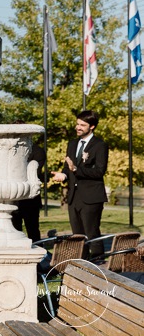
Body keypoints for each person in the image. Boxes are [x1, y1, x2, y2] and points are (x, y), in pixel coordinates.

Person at [51, 110, 109, 258]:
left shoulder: (100, 145)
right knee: (77, 235)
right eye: (77, 124)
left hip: (91, 197)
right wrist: (63, 175)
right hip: (73, 197)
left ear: (92, 126)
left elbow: (99, 172)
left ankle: (98, 263)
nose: (78, 127)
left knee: (92, 233)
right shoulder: (72, 144)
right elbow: (67, 168)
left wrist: (77, 169)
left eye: (82, 125)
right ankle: (82, 263)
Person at [12, 141, 46, 242]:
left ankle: (39, 256)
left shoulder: (37, 151)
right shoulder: (12, 150)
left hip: (31, 199)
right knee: (14, 232)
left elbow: (34, 173)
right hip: (14, 197)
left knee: (33, 231)